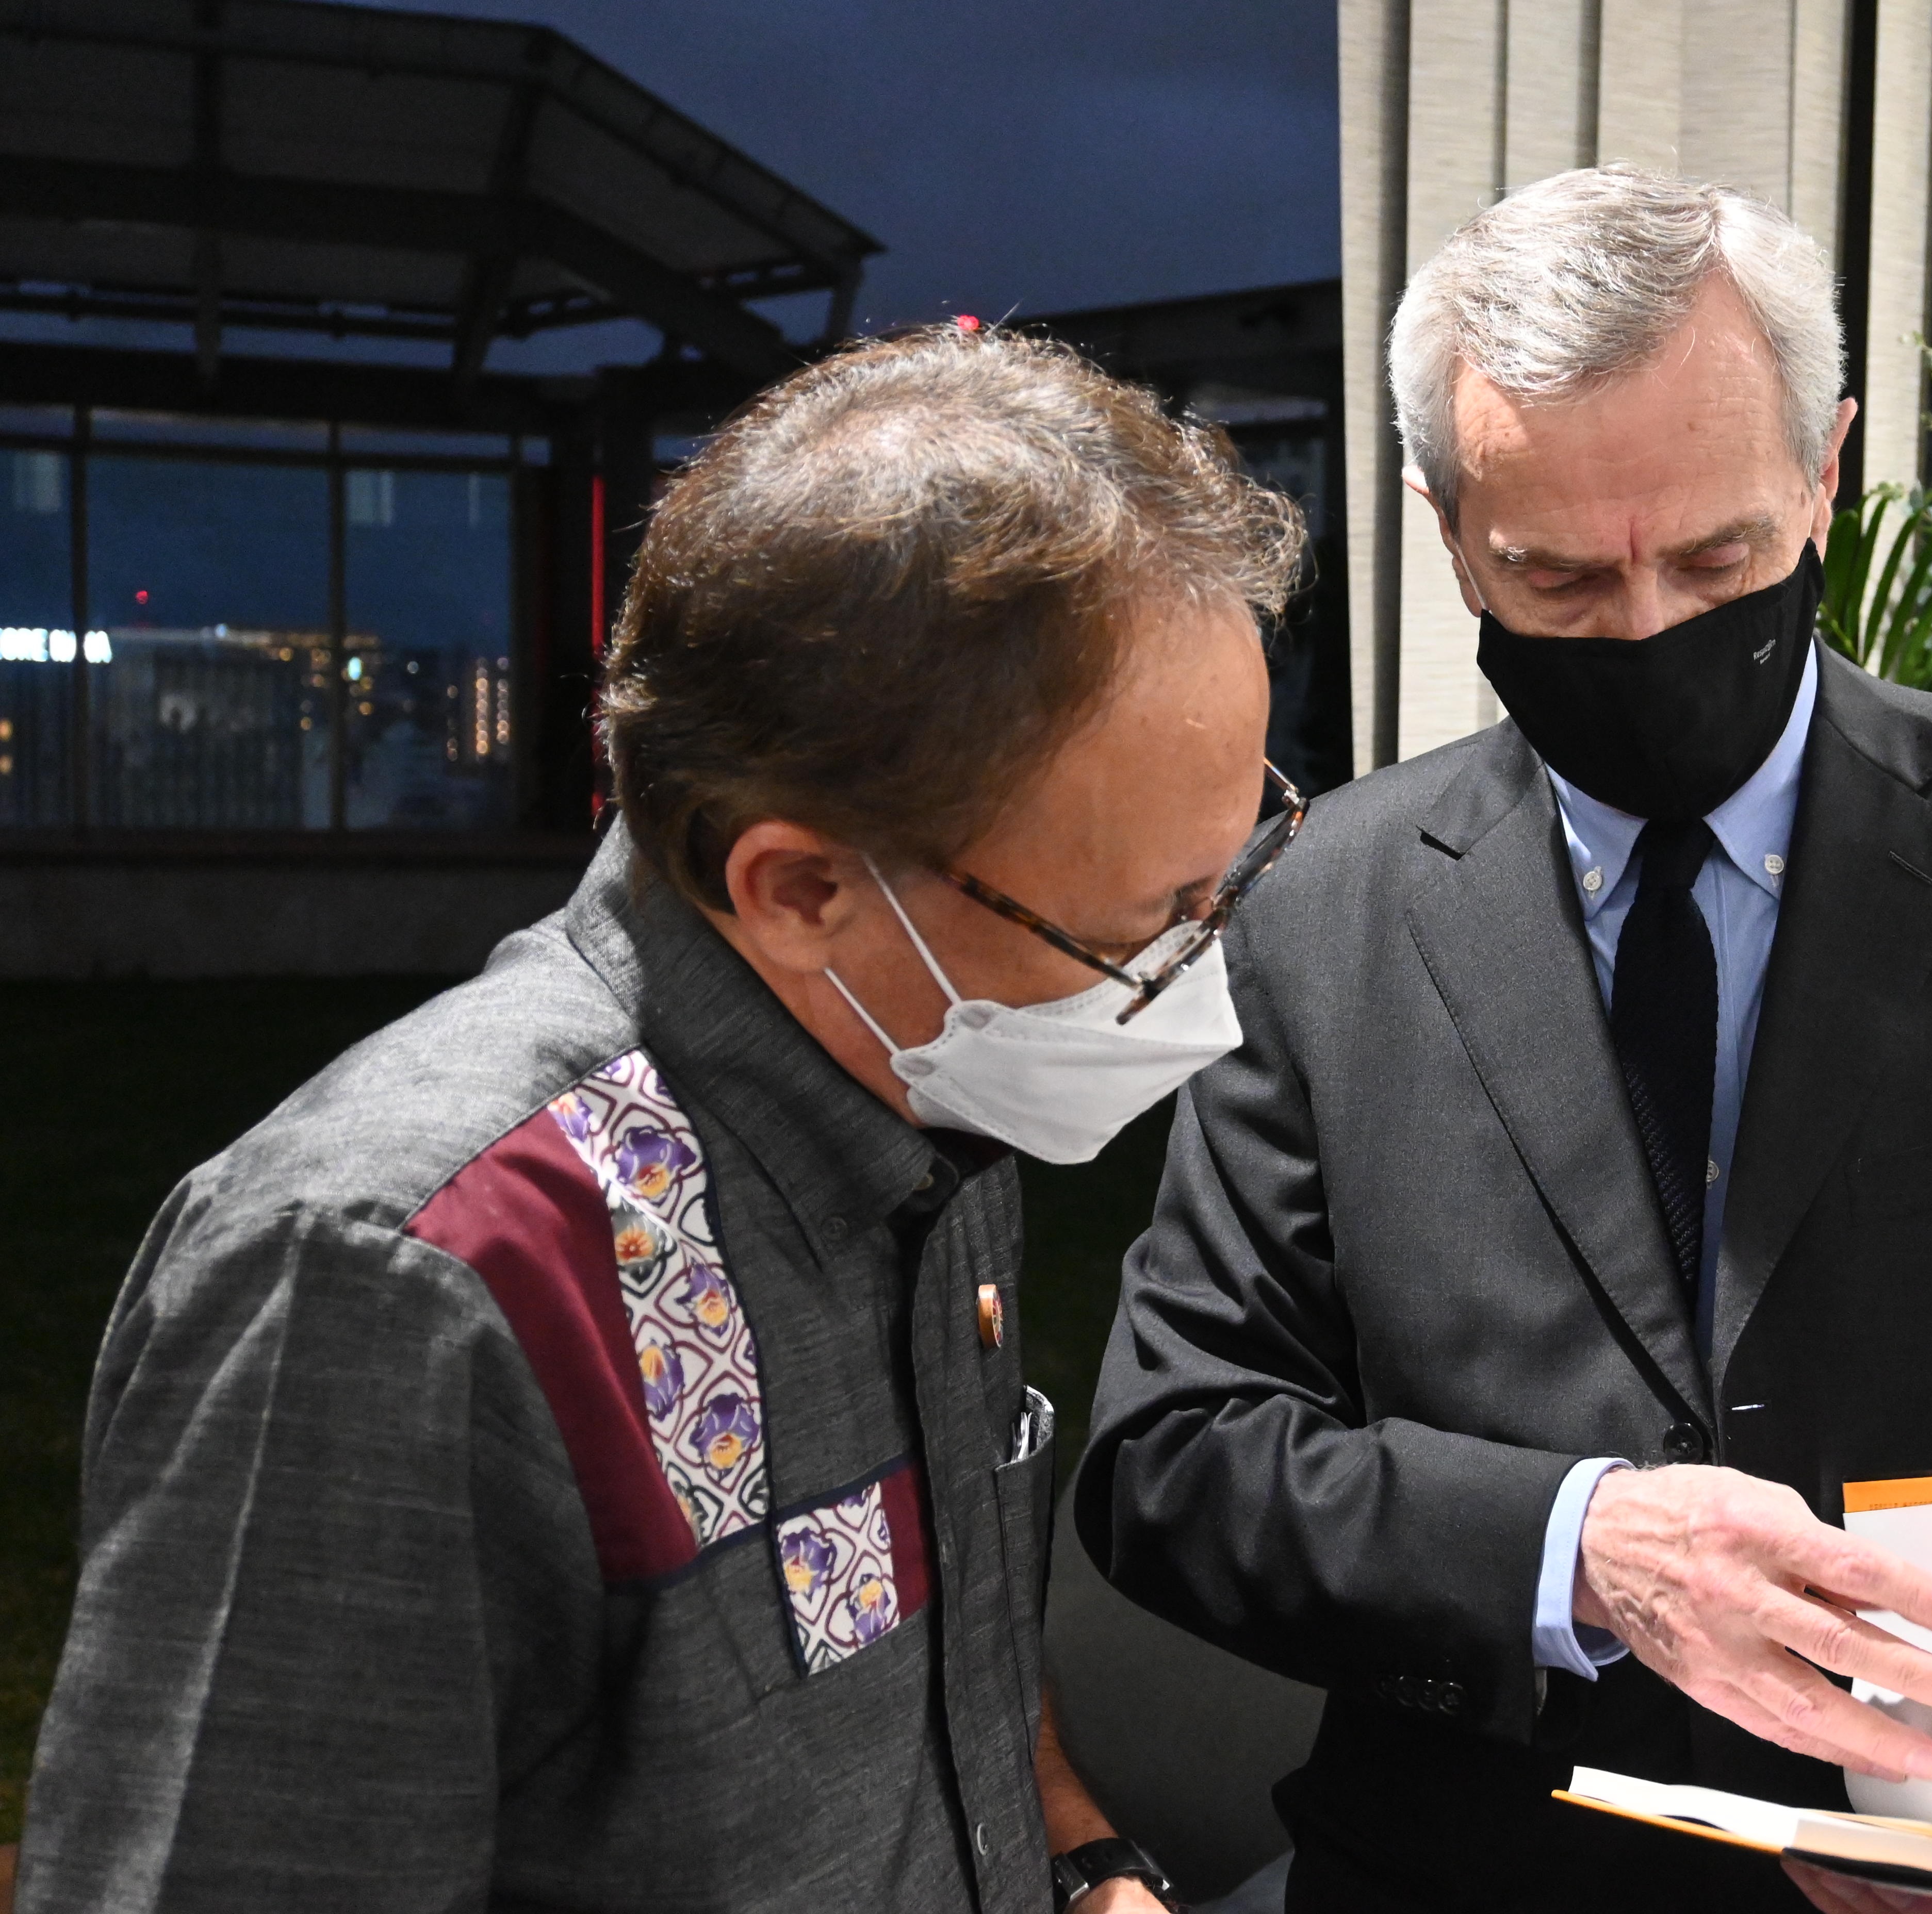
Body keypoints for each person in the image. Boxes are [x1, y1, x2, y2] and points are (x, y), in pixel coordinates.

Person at [1074, 164, 1932, 1914]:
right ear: (1448, 535)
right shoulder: (1315, 899)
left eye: (1719, 557)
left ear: (1826, 473)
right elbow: (1177, 1452)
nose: (1649, 628)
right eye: (1559, 577)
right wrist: (1580, 1546)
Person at [18, 325, 1305, 1913]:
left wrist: (1085, 1864)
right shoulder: (395, 1284)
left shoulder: (926, 1102)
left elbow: (947, 1662)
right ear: (801, 890)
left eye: (1233, 872)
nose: (1202, 974)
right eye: (1143, 925)